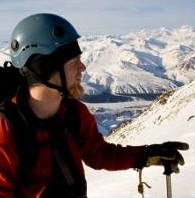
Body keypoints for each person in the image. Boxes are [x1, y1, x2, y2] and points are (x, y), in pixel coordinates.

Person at [0, 13, 189, 198]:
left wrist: (145, 155)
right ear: (45, 67)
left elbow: (99, 154)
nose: (82, 67)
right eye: (74, 61)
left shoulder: (73, 113)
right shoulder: (7, 130)